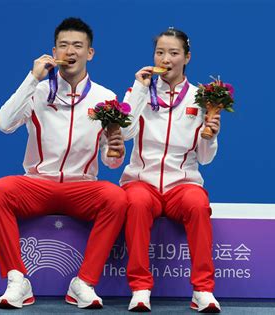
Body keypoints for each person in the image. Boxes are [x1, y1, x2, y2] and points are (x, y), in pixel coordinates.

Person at [0, 17, 127, 310]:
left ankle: (84, 283)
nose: (70, 51)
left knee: (116, 197)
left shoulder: (106, 98)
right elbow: (3, 123)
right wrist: (32, 78)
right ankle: (17, 279)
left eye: (78, 45)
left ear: (90, 53)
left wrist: (115, 153)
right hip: (37, 185)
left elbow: (111, 162)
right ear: (53, 51)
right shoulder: (37, 91)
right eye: (63, 45)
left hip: (82, 188)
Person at [120, 28, 222, 313]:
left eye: (174, 53)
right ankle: (140, 289)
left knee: (198, 204)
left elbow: (205, 159)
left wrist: (210, 136)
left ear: (187, 57)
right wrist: (139, 89)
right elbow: (125, 133)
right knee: (136, 203)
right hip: (142, 180)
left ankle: (203, 290)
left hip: (183, 183)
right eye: (160, 52)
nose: (166, 58)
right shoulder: (137, 91)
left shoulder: (201, 98)